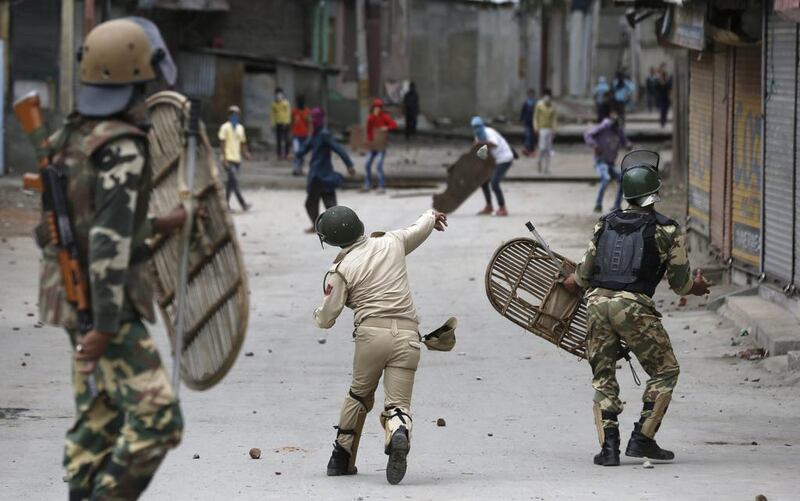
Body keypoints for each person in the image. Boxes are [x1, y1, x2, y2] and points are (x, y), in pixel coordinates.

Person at [40, 17, 185, 500]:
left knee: (100, 417)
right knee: (159, 420)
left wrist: (158, 226)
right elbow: (105, 238)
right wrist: (103, 325)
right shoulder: (122, 147)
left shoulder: (70, 137)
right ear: (137, 76)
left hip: (70, 293)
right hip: (105, 303)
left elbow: (75, 226)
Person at [563, 158, 710, 467]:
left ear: (627, 194)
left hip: (597, 304)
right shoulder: (668, 230)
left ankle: (609, 449)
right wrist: (696, 286)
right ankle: (643, 438)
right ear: (655, 193)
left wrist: (572, 281)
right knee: (665, 370)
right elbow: (681, 285)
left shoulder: (604, 222)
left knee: (603, 377)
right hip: (633, 307)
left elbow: (584, 275)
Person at [313, 205, 449, 485]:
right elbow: (419, 227)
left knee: (359, 396)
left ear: (331, 240)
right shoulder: (392, 241)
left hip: (371, 336)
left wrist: (318, 314)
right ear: (360, 225)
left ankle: (341, 458)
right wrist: (432, 216)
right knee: (399, 403)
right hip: (408, 336)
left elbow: (327, 318)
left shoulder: (341, 269)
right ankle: (398, 430)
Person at [296, 108, 356, 233]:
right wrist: (296, 154)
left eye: (314, 118)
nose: (312, 121)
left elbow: (338, 148)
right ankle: (333, 227)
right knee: (327, 203)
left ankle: (329, 227)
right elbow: (305, 147)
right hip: (322, 175)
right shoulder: (316, 134)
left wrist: (349, 165)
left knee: (317, 203)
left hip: (320, 175)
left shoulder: (324, 134)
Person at [584, 109, 631, 213]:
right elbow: (587, 135)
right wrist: (595, 145)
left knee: (623, 180)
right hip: (600, 161)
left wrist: (628, 145)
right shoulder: (604, 127)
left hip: (611, 163)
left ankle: (617, 205)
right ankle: (598, 204)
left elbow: (625, 141)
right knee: (605, 178)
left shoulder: (619, 131)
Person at [471, 116, 513, 217]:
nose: (476, 129)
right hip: (494, 160)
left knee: (494, 183)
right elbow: (479, 149)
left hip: (505, 158)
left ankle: (503, 208)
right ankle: (489, 207)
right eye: (474, 127)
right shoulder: (478, 136)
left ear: (482, 125)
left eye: (478, 126)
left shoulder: (489, 132)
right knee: (484, 181)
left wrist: (480, 144)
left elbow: (494, 144)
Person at [218, 105, 253, 211]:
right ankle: (243, 204)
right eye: (232, 114)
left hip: (237, 159)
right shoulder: (224, 128)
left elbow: (243, 143)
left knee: (231, 183)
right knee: (235, 181)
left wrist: (246, 153)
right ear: (229, 116)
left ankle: (225, 204)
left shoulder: (240, 128)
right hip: (228, 158)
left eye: (236, 114)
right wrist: (224, 158)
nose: (234, 116)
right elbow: (222, 143)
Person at [362, 98, 397, 193]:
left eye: (379, 107)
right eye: (376, 107)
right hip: (373, 145)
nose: (377, 109)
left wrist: (386, 127)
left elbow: (394, 125)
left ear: (381, 108)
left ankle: (381, 186)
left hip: (381, 146)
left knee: (378, 165)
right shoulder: (371, 118)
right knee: (367, 163)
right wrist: (369, 142)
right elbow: (369, 131)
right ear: (373, 108)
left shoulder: (384, 117)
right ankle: (367, 185)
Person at [534, 88, 558, 173]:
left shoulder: (553, 106)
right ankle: (539, 163)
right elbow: (536, 117)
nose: (547, 98)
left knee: (548, 149)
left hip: (550, 129)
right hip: (542, 129)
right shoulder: (539, 105)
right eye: (546, 96)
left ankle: (546, 168)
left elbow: (554, 119)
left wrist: (555, 129)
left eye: (549, 96)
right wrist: (536, 127)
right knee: (542, 148)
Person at [291, 95, 312, 176]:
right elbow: (292, 122)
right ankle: (295, 168)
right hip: (296, 135)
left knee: (302, 153)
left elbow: (309, 123)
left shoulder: (307, 111)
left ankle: (300, 169)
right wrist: (291, 133)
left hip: (305, 135)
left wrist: (310, 133)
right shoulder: (294, 111)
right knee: (296, 151)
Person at [271, 87, 291, 160]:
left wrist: (286, 123)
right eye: (277, 94)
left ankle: (287, 154)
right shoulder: (274, 104)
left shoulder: (286, 103)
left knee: (286, 139)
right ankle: (279, 155)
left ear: (282, 94)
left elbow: (288, 113)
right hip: (278, 123)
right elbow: (272, 115)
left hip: (285, 123)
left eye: (280, 94)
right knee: (278, 140)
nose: (278, 95)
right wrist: (273, 124)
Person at [519, 88, 537, 156]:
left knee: (532, 136)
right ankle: (527, 148)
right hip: (527, 121)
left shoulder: (536, 103)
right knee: (528, 135)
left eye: (532, 94)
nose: (531, 95)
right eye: (529, 94)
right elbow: (523, 112)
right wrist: (521, 119)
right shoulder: (526, 103)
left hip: (534, 122)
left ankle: (531, 149)